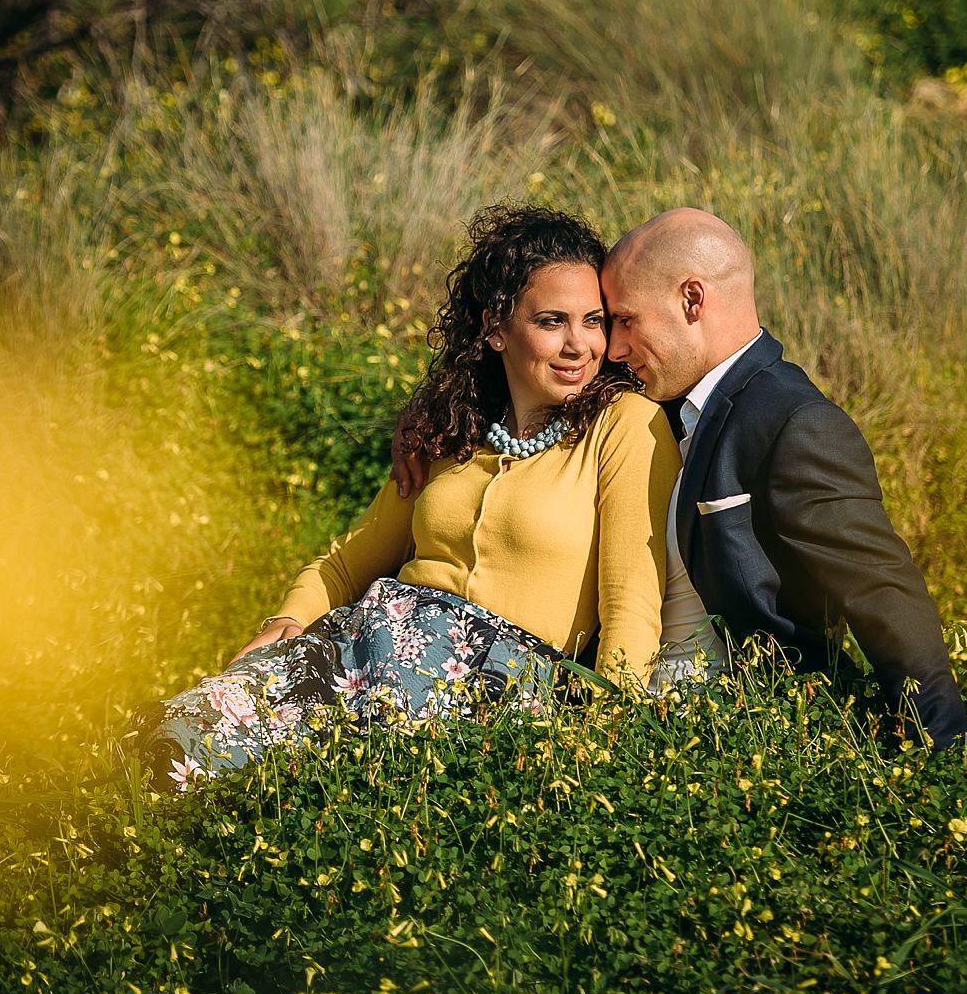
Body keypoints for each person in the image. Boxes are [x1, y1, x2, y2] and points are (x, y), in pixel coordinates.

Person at [139, 205, 679, 792]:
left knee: (321, 788)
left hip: (489, 684)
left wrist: (607, 733)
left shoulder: (625, 425)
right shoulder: (451, 428)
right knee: (178, 743)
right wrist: (290, 618)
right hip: (366, 647)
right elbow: (347, 563)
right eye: (552, 321)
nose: (580, 345)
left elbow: (630, 601)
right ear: (495, 328)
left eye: (594, 321)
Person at [396, 207, 967, 750]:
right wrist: (425, 420)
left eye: (623, 320)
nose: (612, 348)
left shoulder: (793, 421)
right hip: (608, 704)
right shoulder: (670, 400)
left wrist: (939, 752)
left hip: (730, 731)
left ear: (692, 300)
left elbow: (880, 587)